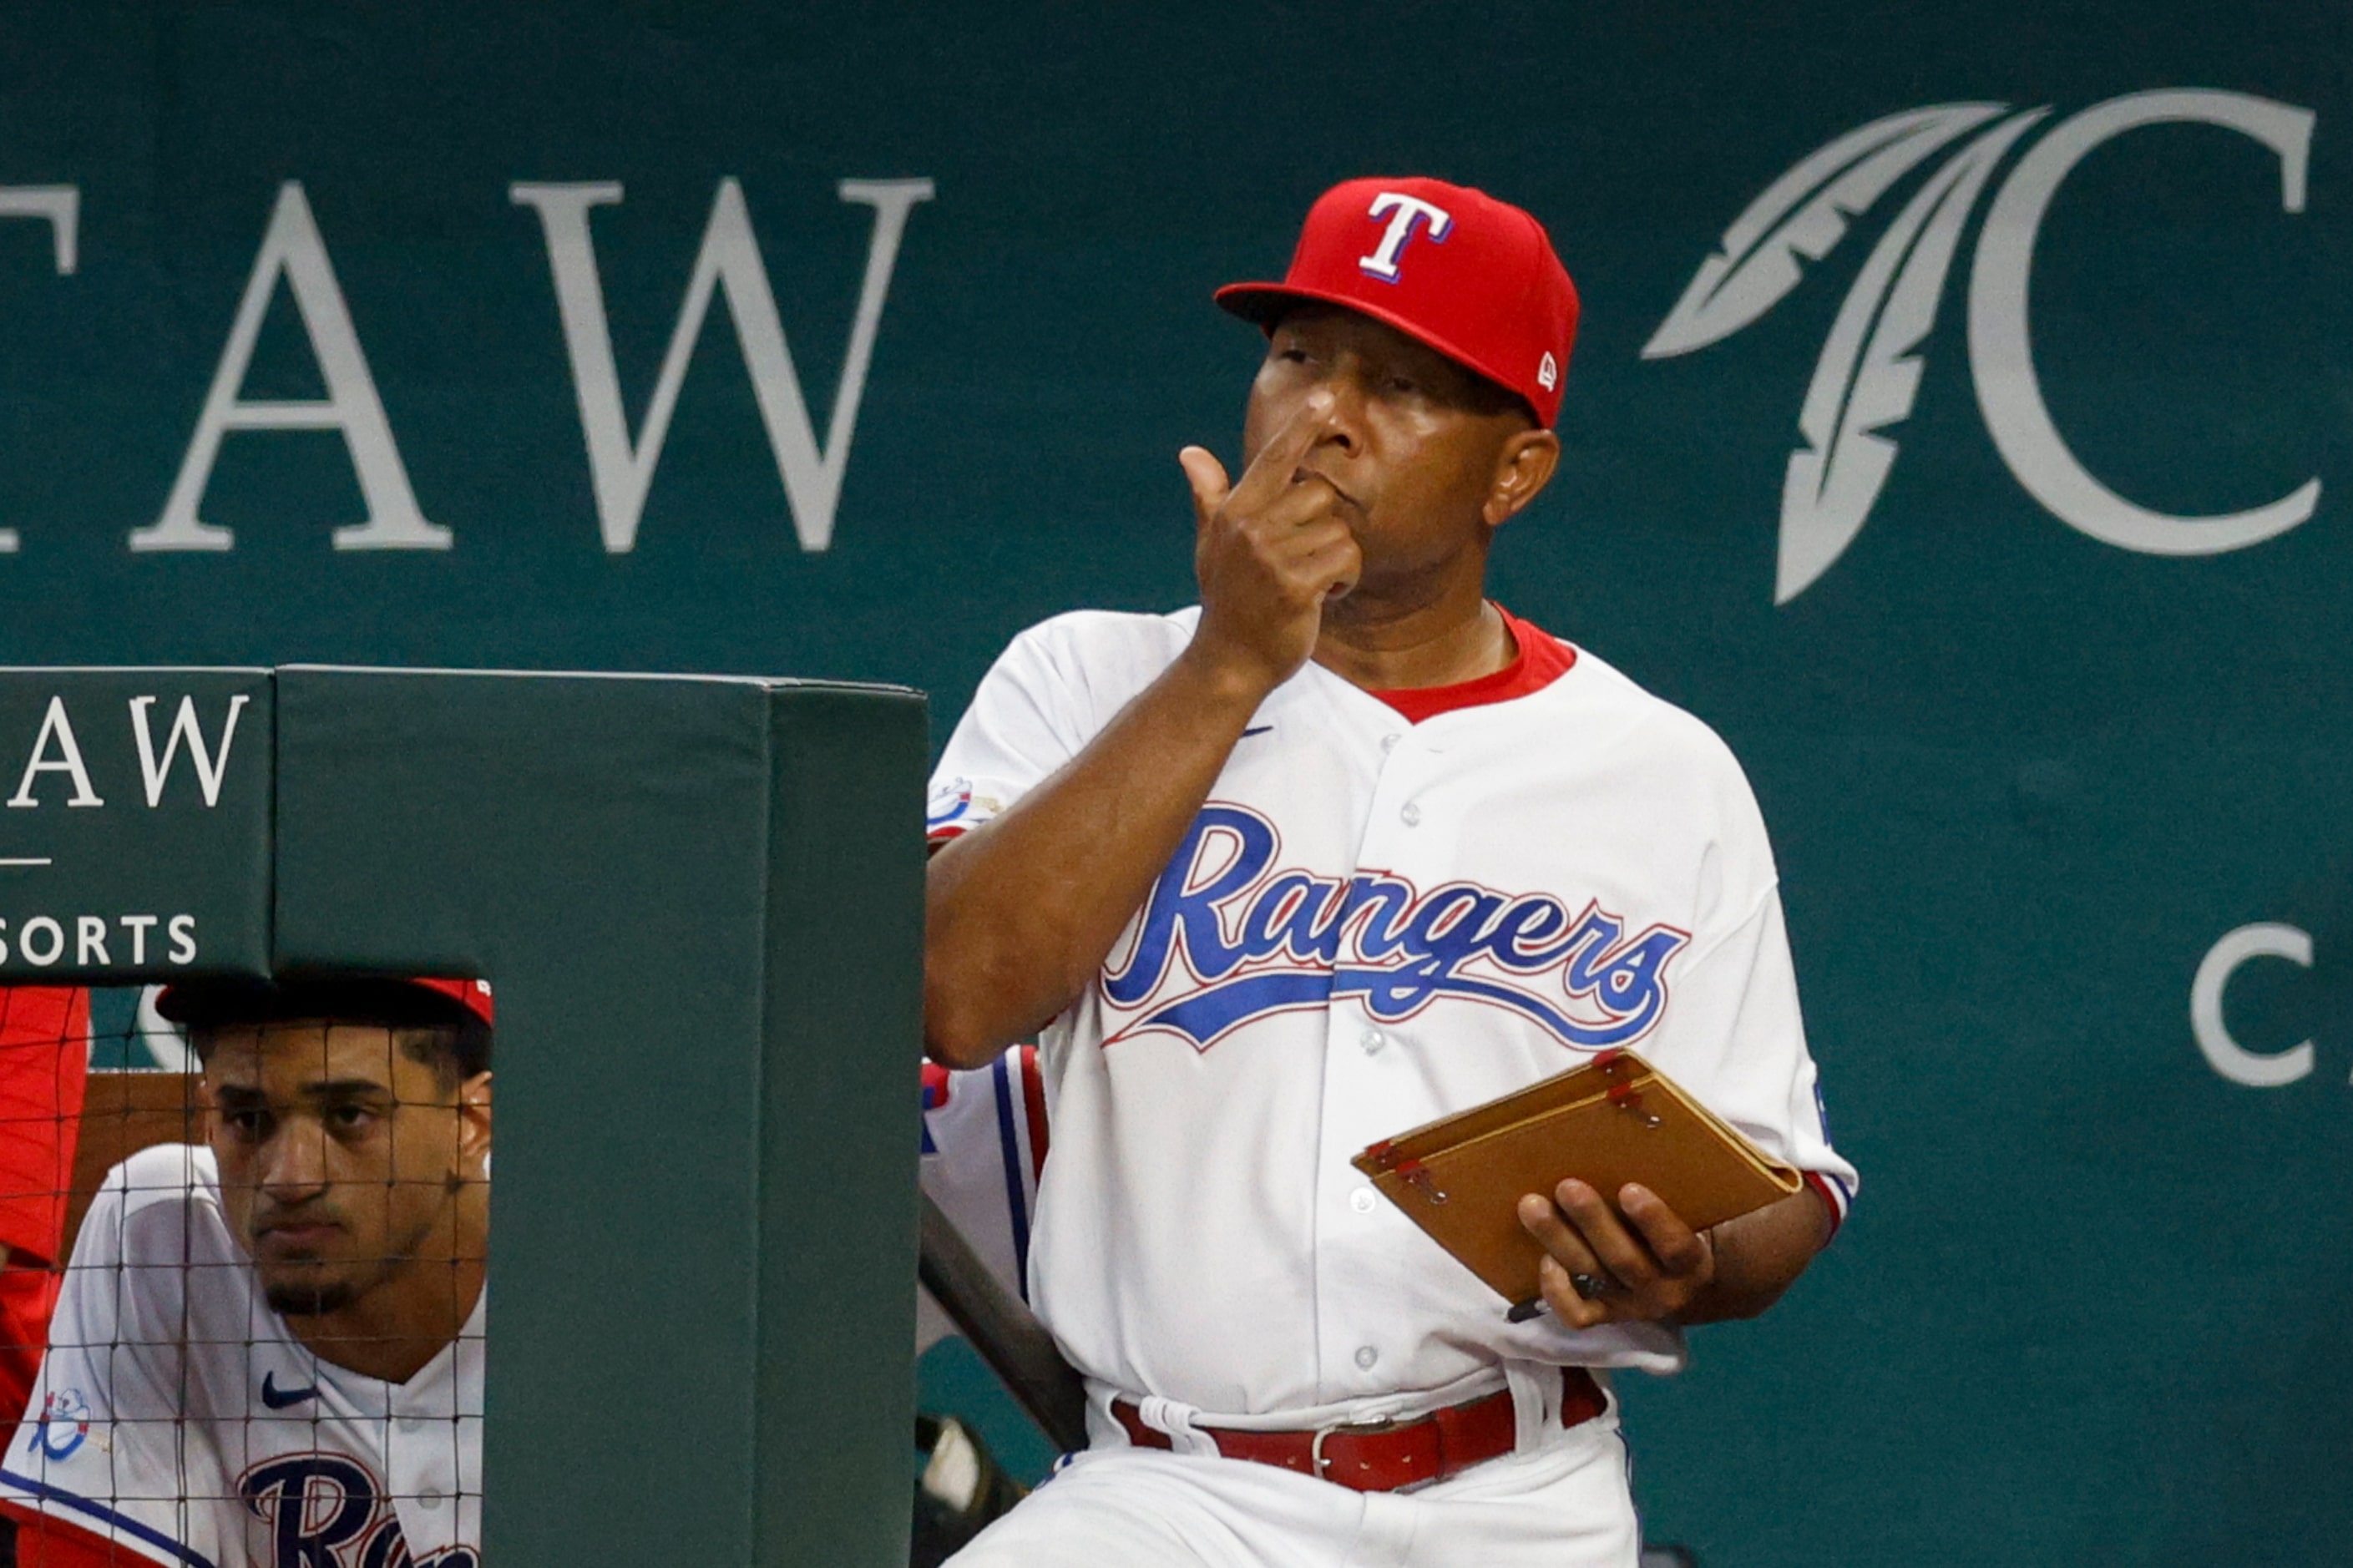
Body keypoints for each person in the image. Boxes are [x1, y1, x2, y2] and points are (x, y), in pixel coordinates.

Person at [922, 176, 1858, 1566]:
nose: (1324, 416)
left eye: (1403, 384)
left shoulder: (1656, 768)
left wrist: (1689, 1262)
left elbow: (1782, 1190)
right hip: (1166, 1498)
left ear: (1511, 472)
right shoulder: (1086, 676)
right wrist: (1232, 659)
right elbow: (953, 991)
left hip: (1516, 1489)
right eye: (1298, 356)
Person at [0, 977, 492, 1568]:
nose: (291, 1177)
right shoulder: (166, 1233)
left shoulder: (594, 1263)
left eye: (350, 1115)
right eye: (249, 1118)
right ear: (209, 1117)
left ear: (472, 1121)